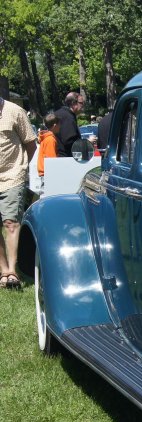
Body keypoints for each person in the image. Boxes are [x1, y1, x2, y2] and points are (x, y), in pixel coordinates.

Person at [0, 96, 37, 289]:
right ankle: (3, 270)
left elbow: (31, 143)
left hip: (12, 176)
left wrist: (21, 168)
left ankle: (13, 272)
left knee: (11, 222)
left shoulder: (15, 111)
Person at [54, 92, 85, 157]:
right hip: (65, 159)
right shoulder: (68, 117)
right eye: (81, 103)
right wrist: (85, 144)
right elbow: (69, 141)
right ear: (73, 103)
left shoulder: (59, 113)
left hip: (56, 157)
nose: (83, 105)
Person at [36, 113, 61, 193]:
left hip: (44, 172)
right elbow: (51, 160)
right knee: (46, 196)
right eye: (59, 124)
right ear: (54, 125)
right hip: (48, 173)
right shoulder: (50, 139)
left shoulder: (45, 137)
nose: (60, 126)